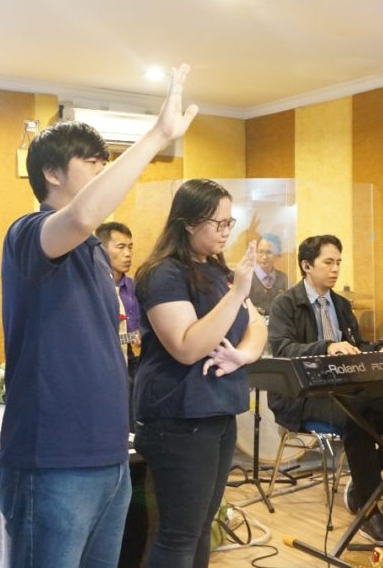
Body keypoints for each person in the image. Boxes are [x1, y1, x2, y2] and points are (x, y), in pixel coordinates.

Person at [0, 65, 198, 567]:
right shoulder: (29, 232)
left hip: (108, 458)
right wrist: (158, 135)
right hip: (53, 461)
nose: (103, 169)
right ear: (51, 172)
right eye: (91, 161)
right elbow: (84, 214)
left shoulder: (92, 253)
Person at [133, 179, 267, 568]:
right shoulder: (163, 273)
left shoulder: (217, 270)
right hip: (179, 416)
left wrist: (240, 356)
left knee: (203, 526)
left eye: (230, 222)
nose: (226, 232)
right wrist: (237, 293)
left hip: (218, 411)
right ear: (189, 223)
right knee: (179, 533)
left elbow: (257, 325)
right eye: (218, 223)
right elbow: (187, 346)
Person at [267, 234, 383, 544]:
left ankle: (366, 484)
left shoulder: (340, 304)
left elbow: (356, 347)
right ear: (306, 265)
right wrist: (327, 346)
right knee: (357, 417)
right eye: (328, 262)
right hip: (302, 395)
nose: (336, 269)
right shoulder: (286, 304)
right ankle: (368, 511)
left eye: (338, 262)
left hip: (346, 389)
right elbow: (283, 350)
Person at [97, 221, 142, 362]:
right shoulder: (93, 288)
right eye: (121, 247)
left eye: (130, 247)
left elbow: (140, 328)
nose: (128, 254)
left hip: (129, 358)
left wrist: (141, 335)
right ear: (102, 250)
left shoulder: (135, 286)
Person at [248, 232, 289, 315]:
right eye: (260, 251)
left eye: (269, 252)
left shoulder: (283, 278)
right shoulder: (247, 277)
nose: (264, 257)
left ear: (278, 255)